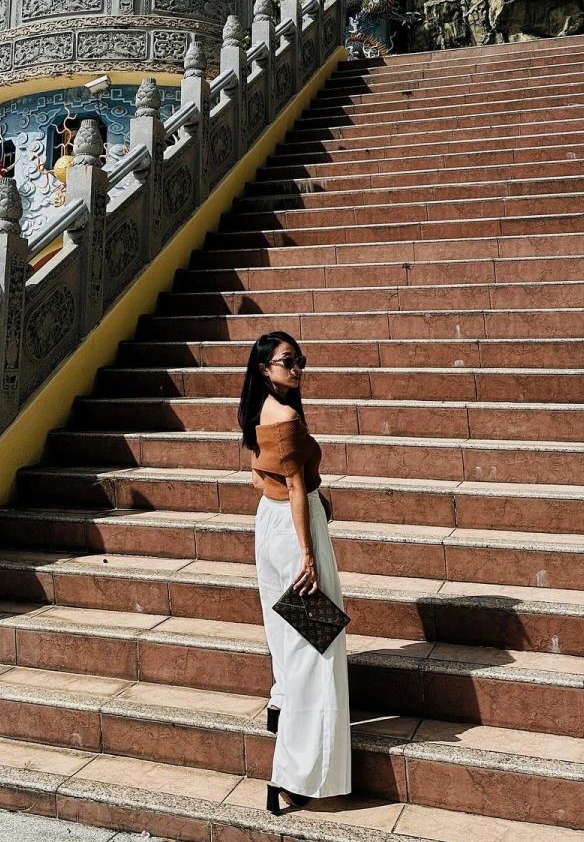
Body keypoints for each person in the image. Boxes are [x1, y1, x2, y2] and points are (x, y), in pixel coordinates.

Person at [239, 332, 351, 816]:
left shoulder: (258, 409)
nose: (297, 367)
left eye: (300, 359)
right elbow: (295, 487)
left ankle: (280, 703)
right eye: (288, 360)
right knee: (317, 645)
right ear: (265, 367)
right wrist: (307, 552)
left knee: (286, 638)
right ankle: (290, 776)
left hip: (269, 524)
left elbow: (256, 475)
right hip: (294, 529)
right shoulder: (285, 417)